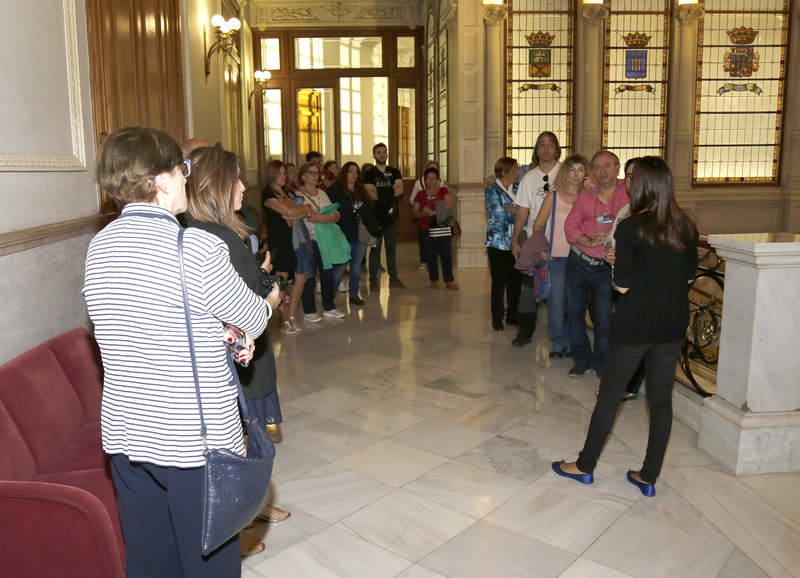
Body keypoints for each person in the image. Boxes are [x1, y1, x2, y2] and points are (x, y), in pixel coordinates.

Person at [83, 127, 276, 577]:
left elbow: (141, 327)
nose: (188, 179)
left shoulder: (99, 248)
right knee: (208, 564)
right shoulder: (197, 247)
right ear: (164, 180)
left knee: (151, 561)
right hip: (194, 442)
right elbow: (250, 316)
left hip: (128, 435)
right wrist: (267, 300)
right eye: (183, 169)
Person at [552, 156, 698, 497]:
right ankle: (648, 477)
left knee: (610, 396)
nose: (628, 184)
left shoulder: (632, 227)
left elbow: (622, 286)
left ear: (644, 186)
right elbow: (689, 275)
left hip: (635, 324)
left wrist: (619, 262)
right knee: (661, 402)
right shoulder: (687, 226)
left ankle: (584, 466)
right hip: (673, 322)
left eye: (633, 179)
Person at [185, 144, 290, 556]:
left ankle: (252, 510)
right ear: (219, 186)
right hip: (236, 360)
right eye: (238, 179)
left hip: (242, 354)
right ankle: (239, 523)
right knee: (239, 445)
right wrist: (269, 286)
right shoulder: (217, 237)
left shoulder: (213, 229)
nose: (245, 186)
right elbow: (252, 302)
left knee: (245, 440)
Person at [563, 150, 629, 378]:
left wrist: (614, 238)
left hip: (604, 268)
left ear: (617, 167)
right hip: (578, 263)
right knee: (574, 313)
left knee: (603, 318)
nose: (602, 171)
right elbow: (570, 227)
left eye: (607, 165)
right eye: (597, 167)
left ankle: (601, 362)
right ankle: (581, 360)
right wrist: (589, 240)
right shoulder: (586, 197)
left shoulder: (628, 194)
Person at [530, 154, 588, 357]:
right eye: (572, 169)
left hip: (581, 257)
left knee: (575, 304)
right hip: (556, 257)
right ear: (565, 172)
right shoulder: (553, 197)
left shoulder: (587, 197)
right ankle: (557, 342)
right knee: (556, 303)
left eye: (581, 170)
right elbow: (537, 226)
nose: (576, 174)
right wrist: (542, 250)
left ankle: (572, 342)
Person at [510, 131, 562, 340]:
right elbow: (522, 211)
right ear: (537, 149)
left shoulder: (566, 173)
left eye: (550, 144)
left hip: (562, 241)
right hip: (534, 239)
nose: (546, 148)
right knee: (529, 287)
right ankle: (525, 331)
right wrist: (515, 240)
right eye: (542, 144)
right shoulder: (529, 178)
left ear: (557, 149)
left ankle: (560, 338)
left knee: (559, 289)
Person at [607, 157, 646, 399]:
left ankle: (627, 386)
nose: (630, 181)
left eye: (636, 176)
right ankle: (623, 383)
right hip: (620, 281)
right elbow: (613, 240)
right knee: (623, 337)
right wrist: (610, 253)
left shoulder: (660, 216)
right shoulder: (625, 210)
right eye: (628, 175)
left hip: (639, 289)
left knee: (636, 339)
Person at [262, 159, 313, 334]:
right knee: (281, 283)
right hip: (279, 242)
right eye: (280, 173)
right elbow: (289, 213)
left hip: (293, 240)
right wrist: (302, 210)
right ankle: (284, 318)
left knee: (298, 278)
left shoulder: (286, 193)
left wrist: (301, 211)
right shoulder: (268, 194)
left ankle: (290, 315)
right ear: (271, 174)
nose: (283, 177)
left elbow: (294, 215)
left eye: (285, 173)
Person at [294, 162, 348, 321]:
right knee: (309, 277)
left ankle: (329, 307)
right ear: (303, 176)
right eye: (310, 173)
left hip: (326, 240)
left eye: (316, 173)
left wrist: (326, 217)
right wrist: (328, 217)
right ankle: (309, 311)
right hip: (309, 240)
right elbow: (311, 218)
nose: (314, 176)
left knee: (327, 274)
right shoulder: (298, 196)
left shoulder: (322, 194)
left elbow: (337, 215)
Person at [327, 161, 379, 306]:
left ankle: (354, 294)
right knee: (340, 267)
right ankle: (329, 297)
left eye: (356, 172)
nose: (353, 175)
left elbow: (369, 211)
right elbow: (330, 210)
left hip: (360, 235)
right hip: (341, 235)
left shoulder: (361, 190)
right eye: (350, 171)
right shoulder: (335, 190)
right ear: (345, 172)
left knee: (356, 268)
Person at [485, 157, 521, 331]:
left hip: (518, 243)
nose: (517, 173)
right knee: (499, 283)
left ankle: (513, 316)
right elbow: (499, 218)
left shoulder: (519, 188)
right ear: (504, 172)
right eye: (514, 170)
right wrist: (520, 212)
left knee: (515, 281)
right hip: (498, 244)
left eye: (518, 169)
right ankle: (497, 318)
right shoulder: (492, 191)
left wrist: (513, 210)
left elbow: (530, 211)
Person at [364, 143, 405, 290]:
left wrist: (380, 193)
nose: (382, 154)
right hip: (375, 217)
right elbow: (370, 193)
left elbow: (400, 190)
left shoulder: (394, 171)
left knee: (391, 248)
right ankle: (373, 279)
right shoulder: (369, 174)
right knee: (375, 248)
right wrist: (389, 192)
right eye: (379, 152)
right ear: (374, 155)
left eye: (384, 152)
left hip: (391, 216)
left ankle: (394, 277)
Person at [413, 166, 458, 289]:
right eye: (429, 178)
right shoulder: (420, 194)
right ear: (425, 180)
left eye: (434, 178)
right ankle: (434, 280)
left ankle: (449, 280)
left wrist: (434, 212)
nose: (431, 181)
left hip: (442, 227)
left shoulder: (444, 191)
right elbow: (414, 212)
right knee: (431, 254)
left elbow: (449, 205)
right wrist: (423, 212)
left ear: (438, 180)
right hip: (426, 228)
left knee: (446, 254)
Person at [411, 160, 446, 270]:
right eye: (430, 168)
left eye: (435, 169)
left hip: (437, 216)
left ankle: (434, 259)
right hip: (423, 215)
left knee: (437, 239)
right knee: (424, 239)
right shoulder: (419, 183)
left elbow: (445, 200)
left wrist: (438, 212)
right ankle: (424, 261)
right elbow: (412, 199)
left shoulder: (441, 183)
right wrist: (422, 209)